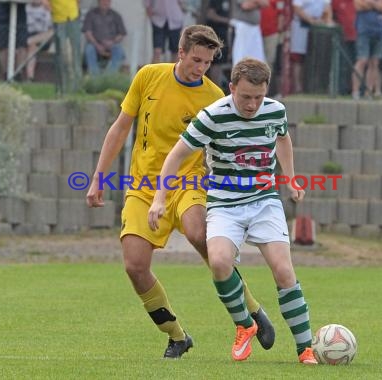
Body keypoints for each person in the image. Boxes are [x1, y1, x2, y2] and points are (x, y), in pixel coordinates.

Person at [86, 25, 275, 359]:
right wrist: (99, 177)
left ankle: (252, 310)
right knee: (134, 265)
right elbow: (120, 128)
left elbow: (233, 145)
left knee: (199, 233)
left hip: (189, 182)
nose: (200, 68)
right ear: (181, 52)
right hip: (143, 186)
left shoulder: (216, 96)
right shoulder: (148, 77)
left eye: (207, 62)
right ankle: (177, 336)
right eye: (196, 60)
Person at [148, 57, 317, 364]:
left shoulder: (275, 110)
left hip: (264, 201)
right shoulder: (212, 116)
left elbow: (283, 138)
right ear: (232, 88)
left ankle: (305, 349)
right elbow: (176, 156)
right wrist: (160, 198)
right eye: (245, 97)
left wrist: (291, 178)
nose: (252, 104)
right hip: (224, 202)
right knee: (220, 262)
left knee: (283, 270)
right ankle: (245, 324)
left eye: (258, 97)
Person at [290, 0, 333, 94]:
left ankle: (316, 87)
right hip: (302, 25)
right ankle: (298, 87)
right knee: (298, 58)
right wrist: (311, 20)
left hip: (319, 26)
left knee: (317, 57)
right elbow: (297, 8)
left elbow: (327, 8)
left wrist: (326, 20)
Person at [352, 0, 382, 99]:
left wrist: (371, 4)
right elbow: (358, 6)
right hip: (363, 30)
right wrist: (377, 5)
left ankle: (369, 91)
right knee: (362, 60)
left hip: (379, 31)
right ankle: (355, 91)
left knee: (374, 62)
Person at [42, 0, 82, 95]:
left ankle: (77, 88)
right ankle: (62, 89)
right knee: (62, 56)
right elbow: (45, 3)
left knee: (75, 54)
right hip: (59, 21)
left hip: (73, 17)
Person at [82, 0, 126, 76]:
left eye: (107, 1)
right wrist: (97, 45)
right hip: (95, 43)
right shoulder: (91, 14)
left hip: (112, 43)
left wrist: (112, 42)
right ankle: (95, 78)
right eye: (103, 1)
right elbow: (87, 32)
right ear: (98, 2)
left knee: (119, 50)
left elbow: (121, 34)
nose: (105, 3)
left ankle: (109, 76)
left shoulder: (116, 15)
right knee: (89, 49)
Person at [0, 1, 28, 81]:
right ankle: (6, 74)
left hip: (20, 11)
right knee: (2, 45)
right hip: (3, 11)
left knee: (22, 45)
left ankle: (18, 74)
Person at [230, 0, 268, 66]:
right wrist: (258, 3)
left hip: (255, 28)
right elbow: (246, 6)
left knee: (257, 58)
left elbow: (266, 3)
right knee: (241, 57)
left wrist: (255, 3)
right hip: (243, 26)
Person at [205, 0, 232, 90]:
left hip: (223, 36)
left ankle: (217, 89)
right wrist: (228, 21)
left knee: (219, 64)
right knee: (215, 64)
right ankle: (215, 90)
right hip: (215, 35)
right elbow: (210, 14)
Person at [26, 0, 53, 82]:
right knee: (32, 46)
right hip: (29, 36)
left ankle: (29, 77)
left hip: (44, 38)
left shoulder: (46, 9)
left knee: (31, 44)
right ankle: (30, 77)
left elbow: (51, 28)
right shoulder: (25, 8)